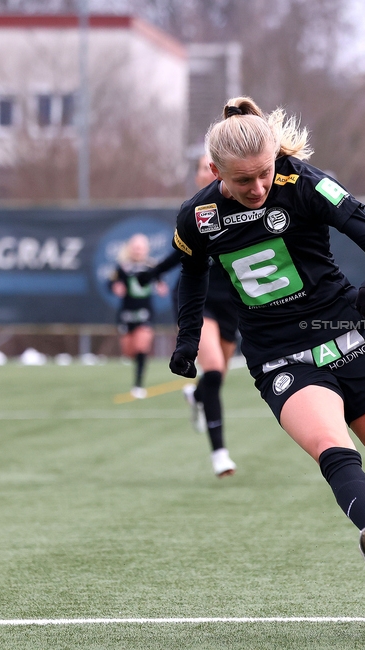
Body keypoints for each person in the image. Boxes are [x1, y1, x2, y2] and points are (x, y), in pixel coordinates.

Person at [169, 97, 365, 622]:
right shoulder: (198, 216)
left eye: (265, 173)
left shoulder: (305, 182)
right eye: (243, 181)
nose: (258, 188)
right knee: (335, 450)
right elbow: (192, 271)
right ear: (215, 170)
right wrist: (188, 336)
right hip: (281, 354)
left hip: (350, 336)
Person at [139, 153, 241, 477]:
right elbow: (181, 252)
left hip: (233, 302)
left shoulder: (247, 204)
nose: (210, 173)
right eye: (203, 168)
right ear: (202, 174)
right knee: (211, 368)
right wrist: (153, 272)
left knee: (216, 377)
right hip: (199, 299)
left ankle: (195, 395)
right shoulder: (198, 211)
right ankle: (220, 454)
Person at [110, 233, 169, 399]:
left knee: (141, 347)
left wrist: (161, 287)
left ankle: (138, 385)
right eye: (135, 247)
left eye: (141, 248)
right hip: (127, 314)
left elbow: (161, 282)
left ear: (146, 250)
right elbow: (111, 283)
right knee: (129, 351)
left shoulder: (151, 267)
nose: (138, 251)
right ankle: (136, 373)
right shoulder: (122, 267)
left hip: (145, 313)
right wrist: (116, 287)